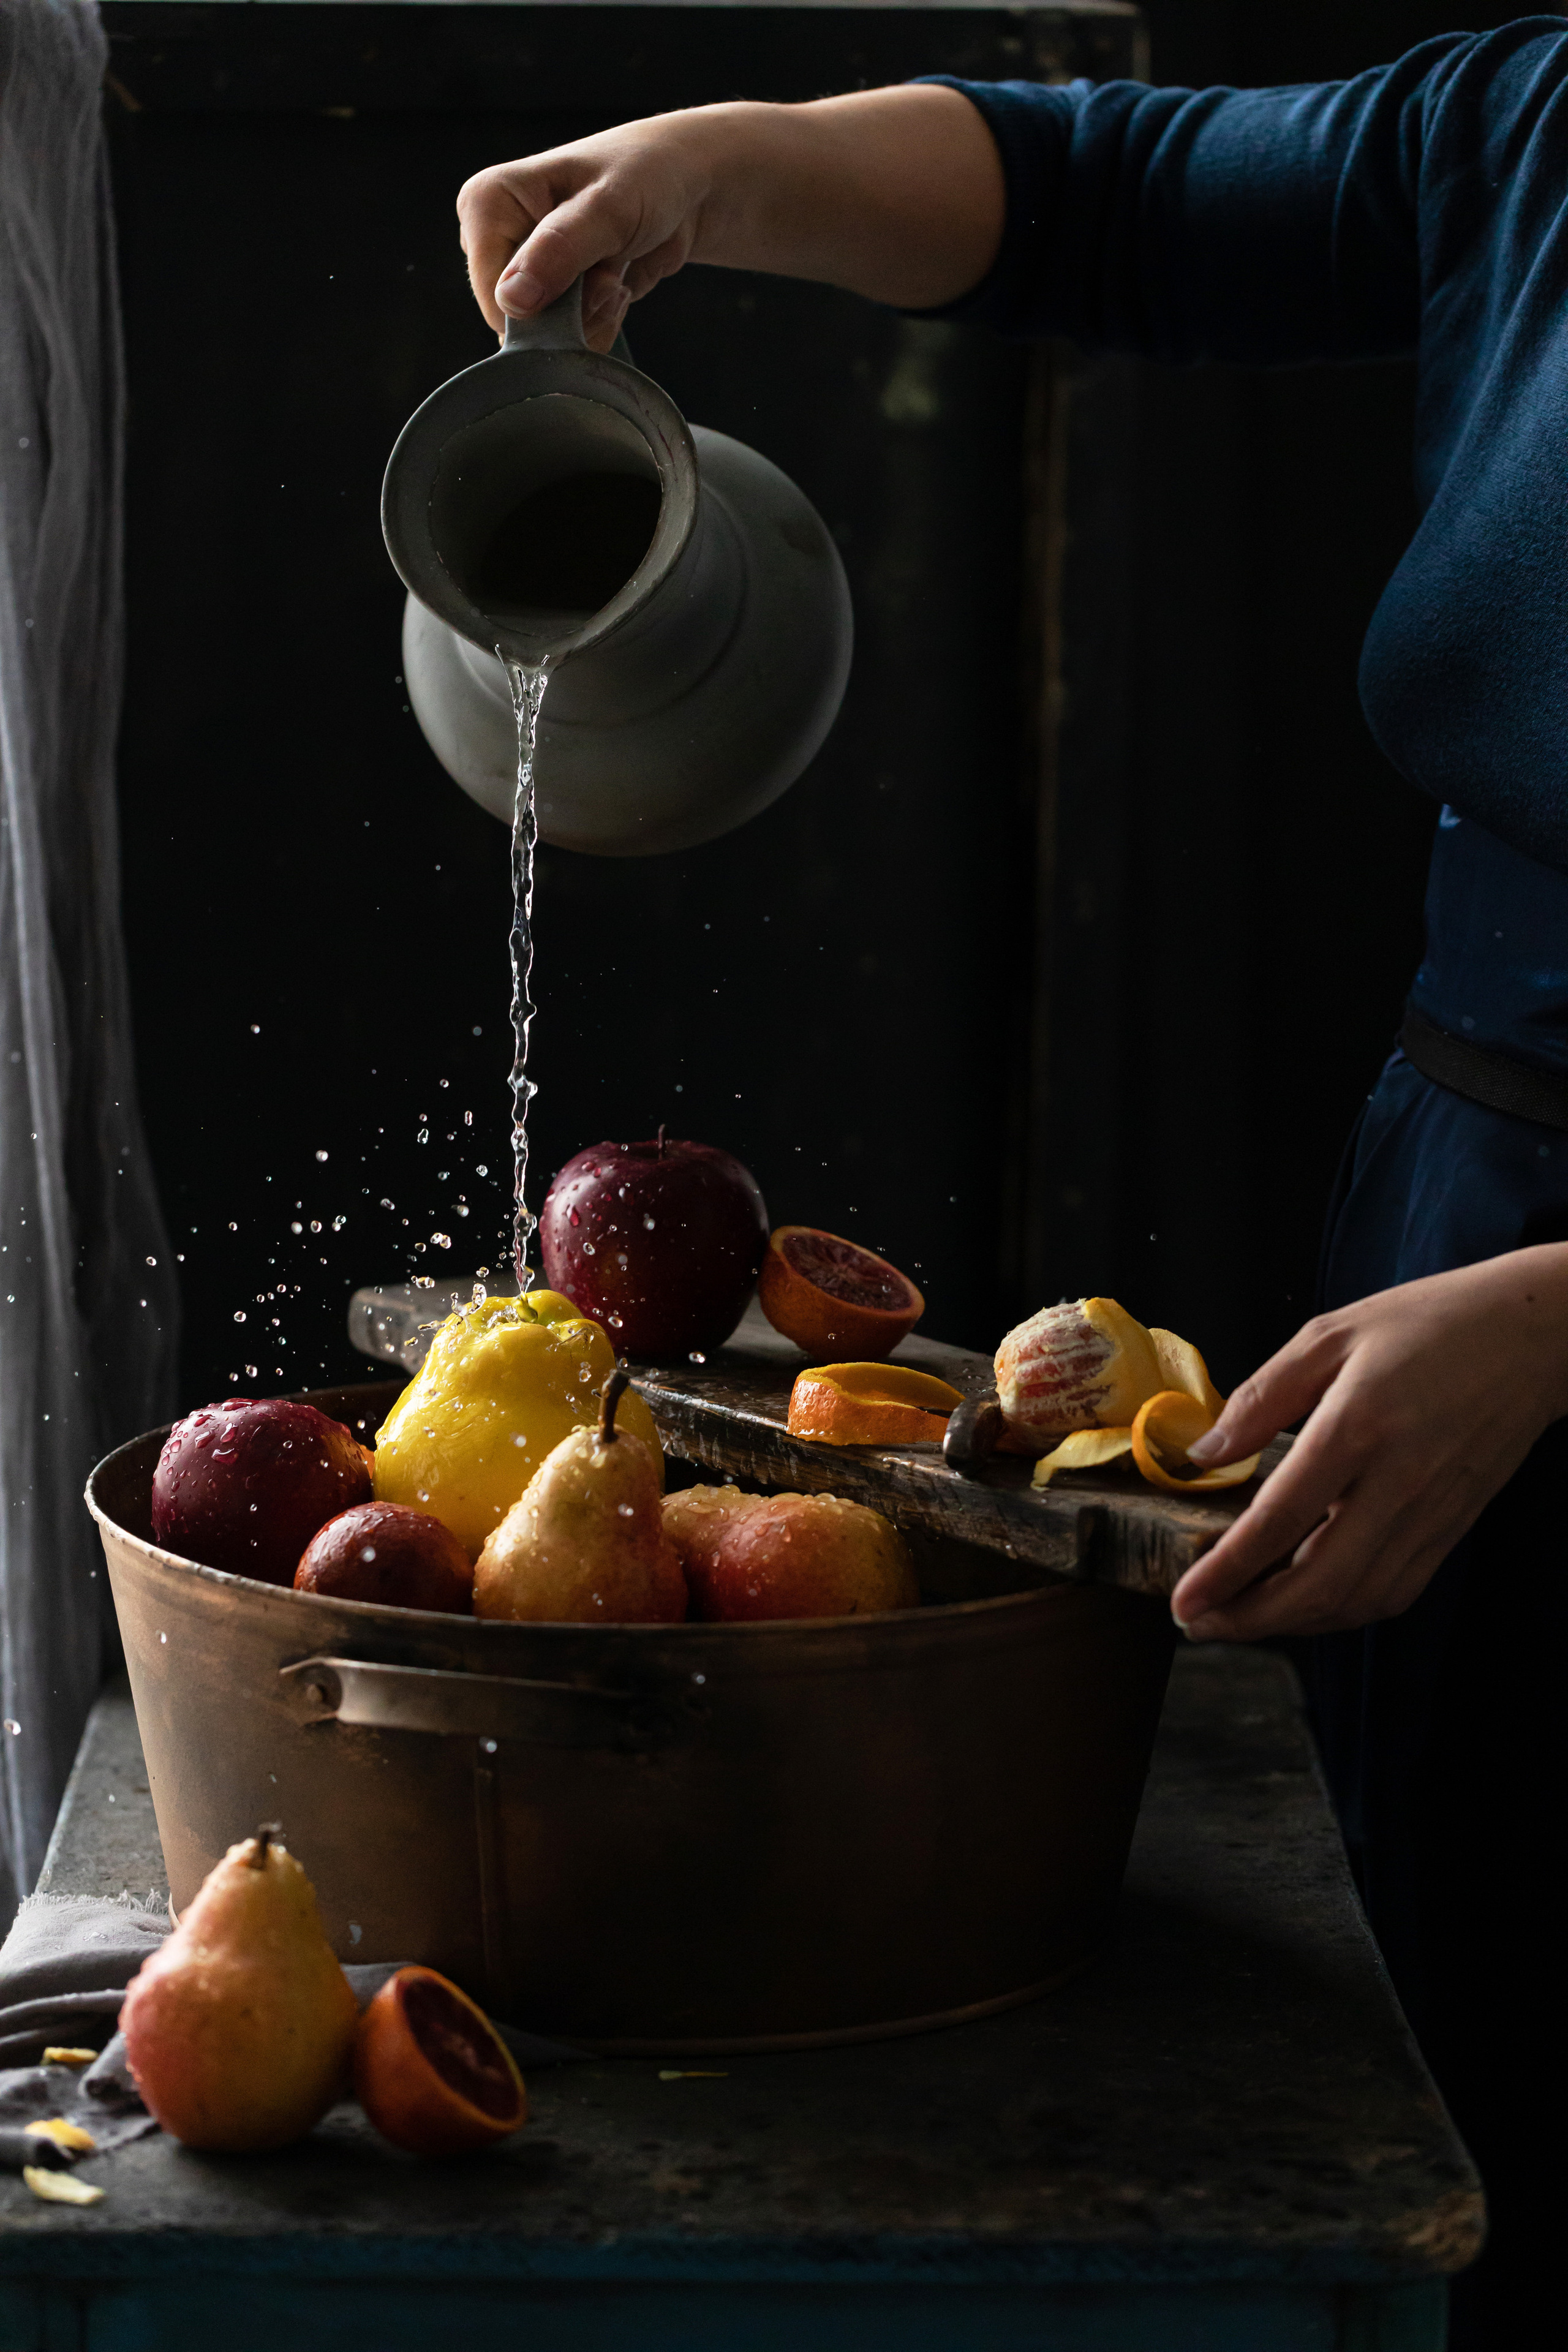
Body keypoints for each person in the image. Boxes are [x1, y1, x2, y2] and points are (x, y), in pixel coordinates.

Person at [456, 25, 1568, 2342]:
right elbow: (1106, 194)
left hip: (1524, 1304)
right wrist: (714, 169)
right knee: (1445, 2067)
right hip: (1456, 1210)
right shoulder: (1538, 123)